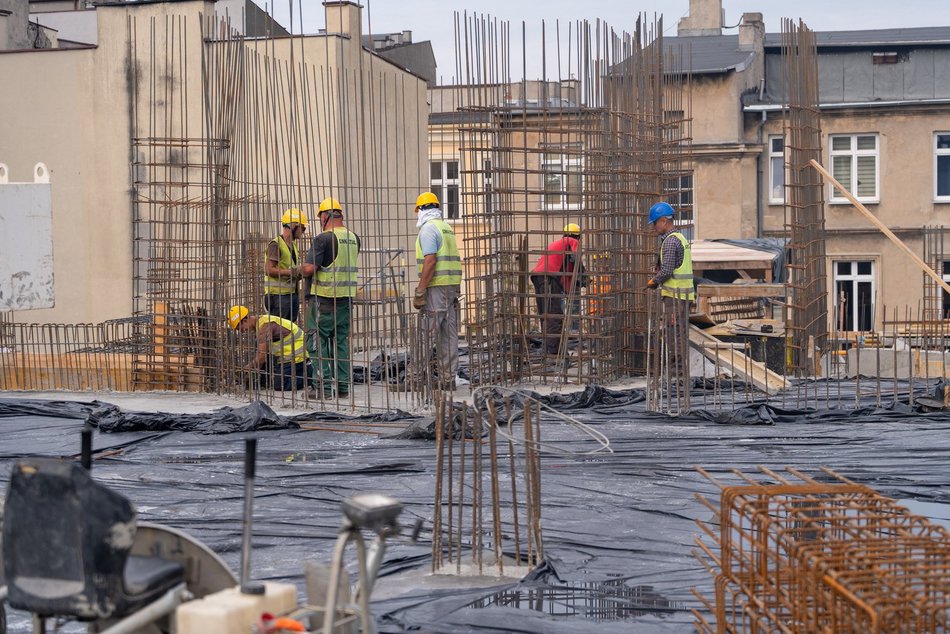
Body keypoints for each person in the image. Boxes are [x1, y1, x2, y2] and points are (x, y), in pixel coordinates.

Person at [301, 197, 361, 398]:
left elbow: (310, 269)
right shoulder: (354, 238)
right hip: (345, 301)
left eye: (320, 217)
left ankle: (324, 388)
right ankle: (343, 387)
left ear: (325, 216)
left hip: (323, 301)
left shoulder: (323, 238)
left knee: (315, 342)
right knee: (340, 343)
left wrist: (295, 270)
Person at [412, 191, 462, 391]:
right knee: (448, 333)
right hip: (451, 287)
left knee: (425, 332)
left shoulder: (428, 229)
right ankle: (448, 378)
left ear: (422, 210)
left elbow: (430, 261)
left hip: (436, 286)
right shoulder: (445, 228)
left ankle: (414, 377)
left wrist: (421, 289)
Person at [646, 201, 694, 389]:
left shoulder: (670, 241)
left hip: (675, 296)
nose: (654, 227)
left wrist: (653, 282)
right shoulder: (681, 238)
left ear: (664, 221)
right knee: (679, 333)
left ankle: (677, 376)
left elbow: (666, 270)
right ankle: (679, 374)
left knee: (674, 335)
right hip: (682, 295)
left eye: (655, 223)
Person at [530, 224, 586, 358]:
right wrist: (584, 275)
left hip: (539, 278)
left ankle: (548, 347)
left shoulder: (558, 245)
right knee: (554, 314)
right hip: (548, 278)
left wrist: (576, 282)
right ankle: (554, 352)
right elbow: (576, 259)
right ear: (577, 236)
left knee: (546, 314)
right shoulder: (572, 241)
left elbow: (567, 272)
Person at [226, 305, 312, 391]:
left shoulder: (264, 326)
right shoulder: (261, 322)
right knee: (259, 346)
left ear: (245, 321)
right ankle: (263, 381)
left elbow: (262, 356)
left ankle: (312, 374)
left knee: (280, 384)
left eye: (239, 328)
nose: (241, 331)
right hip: (286, 355)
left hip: (297, 355)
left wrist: (247, 368)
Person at [263, 208, 307, 321]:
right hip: (278, 297)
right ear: (293, 226)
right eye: (302, 227)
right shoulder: (276, 244)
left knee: (288, 333)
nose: (303, 230)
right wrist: (290, 272)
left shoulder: (293, 246)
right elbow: (269, 269)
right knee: (278, 333)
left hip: (290, 295)